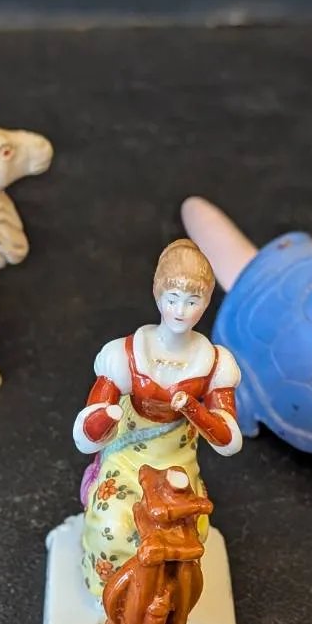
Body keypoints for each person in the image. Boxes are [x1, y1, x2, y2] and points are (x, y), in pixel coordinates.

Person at [71, 238, 242, 596]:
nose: (181, 310)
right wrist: (106, 417)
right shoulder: (124, 354)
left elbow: (228, 440)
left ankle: (164, 600)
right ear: (157, 295)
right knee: (112, 526)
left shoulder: (214, 363)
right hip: (128, 459)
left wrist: (193, 409)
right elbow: (85, 434)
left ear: (206, 303)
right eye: (173, 298)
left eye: (193, 301)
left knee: (188, 531)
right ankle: (110, 596)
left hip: (176, 462)